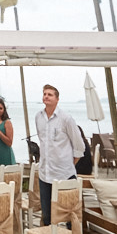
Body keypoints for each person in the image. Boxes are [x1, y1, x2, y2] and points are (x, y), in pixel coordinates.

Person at [34, 84, 83, 226]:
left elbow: (79, 146)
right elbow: (42, 140)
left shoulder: (66, 118)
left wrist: (69, 164)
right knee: (48, 216)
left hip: (64, 174)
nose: (46, 96)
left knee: (70, 216)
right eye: (44, 94)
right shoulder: (38, 117)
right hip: (45, 174)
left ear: (57, 99)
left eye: (50, 94)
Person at [0, 98, 16, 166]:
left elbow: (9, 142)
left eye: (0, 108)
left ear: (4, 110)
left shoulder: (7, 122)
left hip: (5, 155)